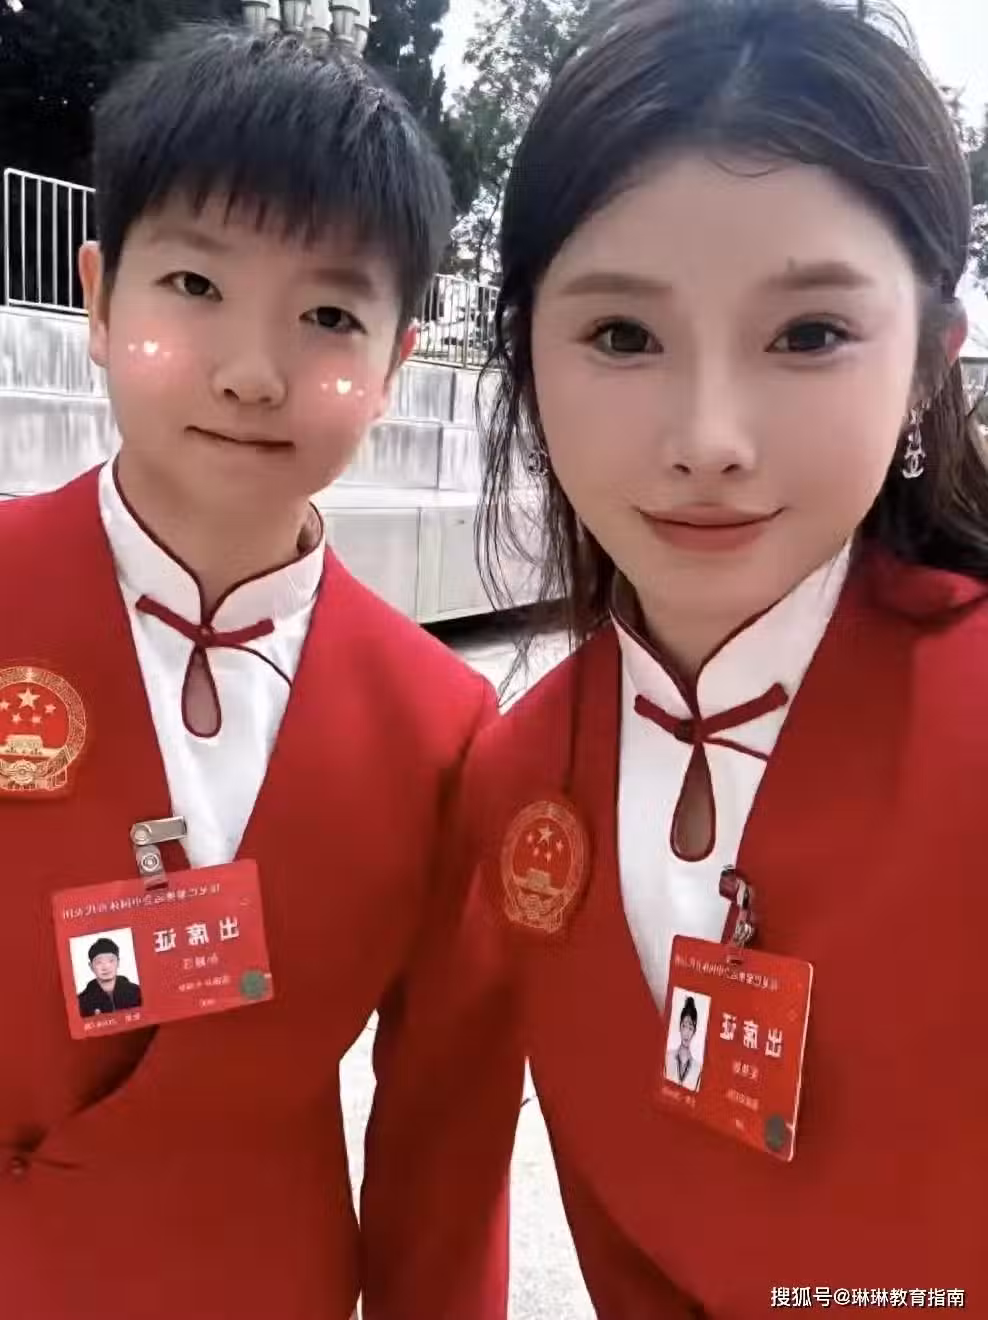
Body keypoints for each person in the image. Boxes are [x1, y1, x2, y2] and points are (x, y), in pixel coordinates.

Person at [456, 0, 988, 1311]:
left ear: (929, 365)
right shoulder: (517, 777)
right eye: (622, 336)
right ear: (527, 356)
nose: (708, 440)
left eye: (808, 335)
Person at [0, 25, 521, 1320]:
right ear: (98, 300)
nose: (250, 372)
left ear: (396, 366)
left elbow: (444, 1145)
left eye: (329, 316)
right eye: (194, 285)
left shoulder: (443, 730)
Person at [76, 938, 143, 1018]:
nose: (105, 967)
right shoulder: (81, 1001)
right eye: (99, 962)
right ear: (91, 966)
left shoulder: (137, 992)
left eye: (111, 961)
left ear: (118, 962)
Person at [664, 996, 701, 1092]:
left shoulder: (698, 1069)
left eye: (690, 1028)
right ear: (680, 1027)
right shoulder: (667, 1057)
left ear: (694, 1032)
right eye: (684, 1026)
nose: (686, 1033)